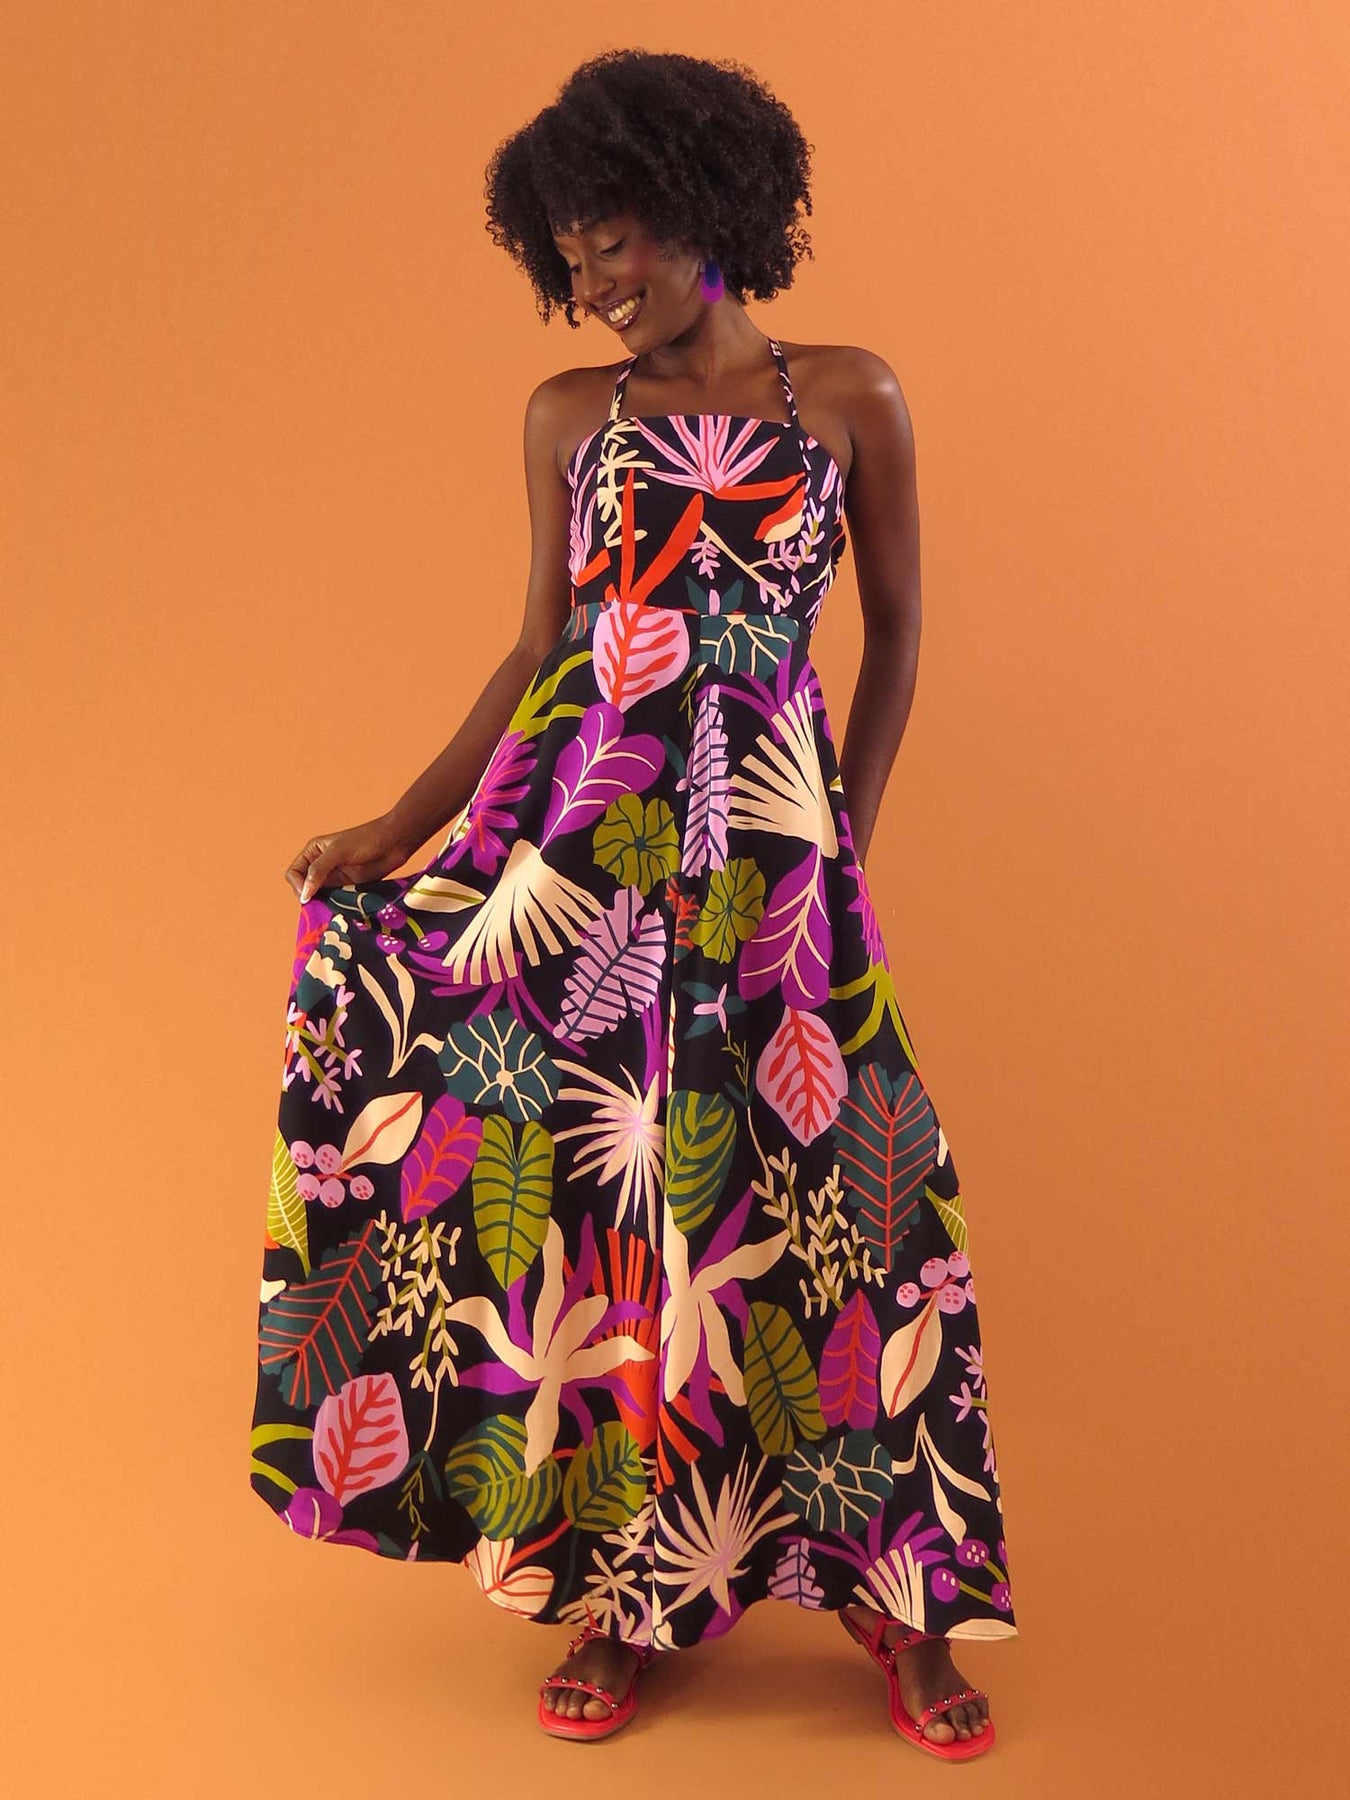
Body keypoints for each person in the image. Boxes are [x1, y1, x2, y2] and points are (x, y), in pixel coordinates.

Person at [250, 47, 1017, 1762]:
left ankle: (903, 1600)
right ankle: (625, 1586)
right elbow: (539, 653)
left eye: (613, 245)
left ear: (702, 210)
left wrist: (844, 829)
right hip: (588, 861)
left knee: (845, 1201)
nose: (592, 284)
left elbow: (895, 631)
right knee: (619, 1212)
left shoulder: (850, 396)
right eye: (569, 259)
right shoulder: (568, 419)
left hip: (777, 862)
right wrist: (396, 826)